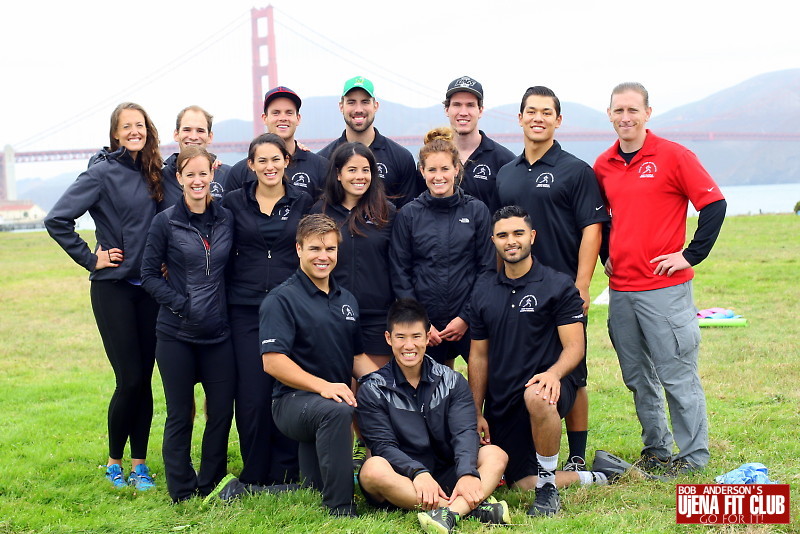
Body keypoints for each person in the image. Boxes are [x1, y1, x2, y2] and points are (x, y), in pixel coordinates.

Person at [593, 82, 726, 476]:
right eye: (618, 110)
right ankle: (657, 449)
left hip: (665, 290)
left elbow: (714, 204)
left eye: (633, 110)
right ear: (610, 114)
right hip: (621, 291)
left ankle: (694, 457)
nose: (626, 117)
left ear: (647, 113)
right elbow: (601, 219)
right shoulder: (603, 164)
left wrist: (689, 255)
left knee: (677, 376)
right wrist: (606, 254)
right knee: (638, 378)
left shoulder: (674, 156)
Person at [469, 206, 624, 517]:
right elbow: (478, 356)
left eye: (518, 233)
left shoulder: (557, 285)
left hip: (551, 388)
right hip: (504, 401)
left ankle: (548, 489)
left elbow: (575, 347)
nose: (511, 241)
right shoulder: (483, 290)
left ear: (532, 236)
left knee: (537, 395)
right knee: (518, 483)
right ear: (493, 241)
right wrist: (476, 411)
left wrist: (553, 374)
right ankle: (598, 475)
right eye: (502, 235)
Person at [44, 102, 162, 490]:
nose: (134, 131)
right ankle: (114, 463)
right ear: (115, 133)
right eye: (127, 126)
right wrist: (91, 258)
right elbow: (57, 219)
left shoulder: (154, 170)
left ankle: (140, 465)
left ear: (147, 129)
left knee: (144, 380)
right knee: (129, 379)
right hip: (113, 289)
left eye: (140, 125)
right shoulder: (100, 173)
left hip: (149, 291)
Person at [496, 86, 609, 472]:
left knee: (573, 372)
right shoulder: (506, 173)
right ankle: (527, 447)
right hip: (517, 289)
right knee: (523, 367)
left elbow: (592, 228)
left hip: (563, 291)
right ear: (520, 118)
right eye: (531, 111)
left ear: (558, 120)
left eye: (547, 112)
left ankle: (576, 456)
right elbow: (500, 233)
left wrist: (582, 284)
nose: (538, 118)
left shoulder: (576, 171)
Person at [356, 299, 510, 534]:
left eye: (416, 336)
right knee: (371, 470)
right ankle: (466, 508)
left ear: (428, 337)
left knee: (496, 455)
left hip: (447, 471)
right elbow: (382, 446)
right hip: (403, 478)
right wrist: (418, 472)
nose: (409, 345)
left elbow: (464, 431)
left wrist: (467, 473)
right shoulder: (373, 388)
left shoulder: (451, 380)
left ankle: (450, 514)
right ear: (388, 338)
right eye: (401, 337)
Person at [260, 214, 379, 517]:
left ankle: (240, 491)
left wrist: (387, 383)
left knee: (313, 486)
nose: (323, 256)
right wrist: (324, 387)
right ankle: (340, 508)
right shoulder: (281, 299)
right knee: (338, 410)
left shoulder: (347, 299)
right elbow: (273, 362)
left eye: (330, 249)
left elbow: (356, 358)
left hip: (329, 401)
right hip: (291, 403)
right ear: (299, 249)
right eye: (314, 248)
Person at [140, 146, 235, 502]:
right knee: (180, 414)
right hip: (176, 334)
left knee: (221, 411)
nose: (197, 181)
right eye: (189, 174)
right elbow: (149, 275)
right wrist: (182, 305)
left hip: (218, 333)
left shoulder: (226, 218)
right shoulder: (165, 222)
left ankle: (211, 482)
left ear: (212, 174)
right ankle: (181, 488)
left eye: (203, 173)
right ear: (179, 177)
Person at [222, 133, 313, 487]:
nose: (269, 166)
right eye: (262, 160)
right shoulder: (234, 201)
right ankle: (256, 471)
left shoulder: (303, 201)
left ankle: (288, 471)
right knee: (253, 395)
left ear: (286, 162)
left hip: (289, 306)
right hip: (244, 308)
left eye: (276, 159)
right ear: (251, 165)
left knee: (288, 387)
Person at [389, 127, 494, 367]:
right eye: (432, 170)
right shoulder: (409, 215)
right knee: (429, 385)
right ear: (422, 171)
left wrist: (465, 317)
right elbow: (400, 272)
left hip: (469, 319)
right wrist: (421, 322)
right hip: (426, 325)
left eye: (445, 169)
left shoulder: (476, 211)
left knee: (486, 378)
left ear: (456, 169)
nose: (439, 176)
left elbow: (487, 269)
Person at [311, 142, 396, 369]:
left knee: (376, 386)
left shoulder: (386, 212)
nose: (360, 176)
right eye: (352, 170)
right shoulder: (320, 211)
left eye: (366, 170)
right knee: (342, 389)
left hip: (377, 317)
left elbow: (398, 264)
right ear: (338, 174)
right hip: (331, 314)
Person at [318, 76, 423, 208]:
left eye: (365, 102)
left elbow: (408, 212)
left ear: (375, 106)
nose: (358, 109)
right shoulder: (323, 159)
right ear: (341, 107)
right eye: (351, 102)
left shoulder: (401, 157)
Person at [227, 87, 328, 200]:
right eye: (276, 113)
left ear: (298, 118)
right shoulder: (239, 172)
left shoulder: (321, 166)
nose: (283, 118)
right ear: (264, 118)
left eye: (289, 113)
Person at [444, 76, 514, 214]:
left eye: (470, 105)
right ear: (447, 109)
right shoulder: (432, 158)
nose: (463, 112)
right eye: (457, 105)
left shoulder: (505, 161)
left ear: (480, 110)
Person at [161, 105, 231, 207]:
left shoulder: (228, 176)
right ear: (176, 134)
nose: (193, 137)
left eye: (200, 131)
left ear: (210, 137)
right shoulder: (160, 179)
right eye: (187, 130)